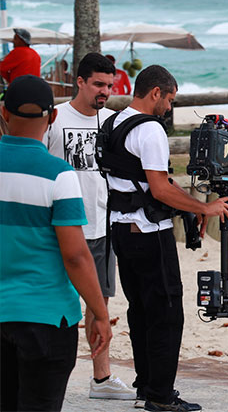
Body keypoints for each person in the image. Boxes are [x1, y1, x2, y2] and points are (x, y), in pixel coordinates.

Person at [106, 64, 228, 411]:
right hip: (149, 233)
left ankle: (146, 386)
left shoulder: (114, 122)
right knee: (166, 313)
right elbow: (160, 188)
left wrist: (191, 206)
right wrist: (204, 208)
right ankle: (161, 397)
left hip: (120, 229)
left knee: (141, 310)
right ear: (155, 93)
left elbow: (144, 180)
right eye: (170, 100)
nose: (170, 108)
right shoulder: (150, 131)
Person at [0, 74, 112, 411]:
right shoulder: (58, 174)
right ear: (52, 117)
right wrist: (100, 313)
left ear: (4, 113)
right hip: (47, 318)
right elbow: (76, 256)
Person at [44, 52, 135, 401]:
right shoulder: (55, 119)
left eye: (109, 85)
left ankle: (101, 378)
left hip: (103, 225)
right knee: (57, 301)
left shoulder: (112, 121)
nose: (104, 91)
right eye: (97, 84)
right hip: (60, 227)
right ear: (78, 82)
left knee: (100, 305)